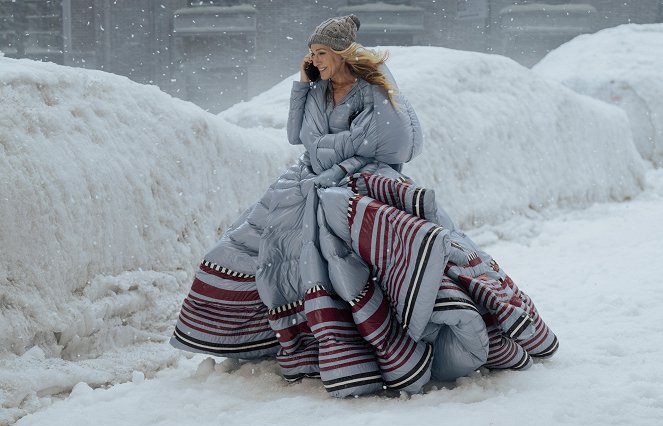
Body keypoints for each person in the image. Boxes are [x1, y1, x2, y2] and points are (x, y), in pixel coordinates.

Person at [170, 15, 558, 398]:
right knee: (259, 249)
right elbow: (297, 135)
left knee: (376, 252)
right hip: (309, 180)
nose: (315, 59)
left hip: (363, 180)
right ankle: (290, 337)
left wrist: (332, 157)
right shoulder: (318, 89)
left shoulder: (373, 90)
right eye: (311, 53)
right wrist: (303, 88)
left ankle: (377, 344)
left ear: (342, 53)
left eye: (321, 52)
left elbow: (393, 147)